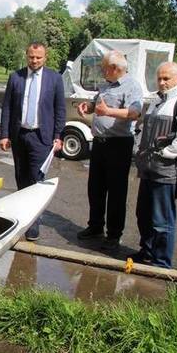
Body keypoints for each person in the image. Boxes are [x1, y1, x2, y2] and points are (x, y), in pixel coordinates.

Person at [134, 62, 177, 268]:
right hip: (147, 169)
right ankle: (147, 251)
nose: (162, 82)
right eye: (160, 78)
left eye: (167, 79)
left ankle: (162, 262)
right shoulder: (157, 100)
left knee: (162, 220)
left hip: (165, 171)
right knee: (143, 214)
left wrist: (167, 153)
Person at [75, 50, 143, 251]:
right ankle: (95, 226)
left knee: (116, 192)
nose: (101, 71)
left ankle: (114, 235)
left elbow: (134, 113)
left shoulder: (132, 86)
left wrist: (109, 111)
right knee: (95, 188)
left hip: (119, 144)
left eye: (103, 68)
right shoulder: (106, 85)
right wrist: (87, 107)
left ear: (114, 68)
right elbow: (97, 105)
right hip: (100, 143)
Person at [0, 42, 65, 241]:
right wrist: (4, 134)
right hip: (19, 136)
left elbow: (60, 109)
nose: (34, 60)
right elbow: (7, 108)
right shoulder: (15, 77)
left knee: (37, 181)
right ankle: (22, 218)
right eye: (31, 57)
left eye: (38, 57)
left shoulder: (55, 79)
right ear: (26, 56)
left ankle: (33, 224)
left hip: (42, 137)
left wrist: (58, 135)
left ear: (45, 57)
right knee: (21, 178)